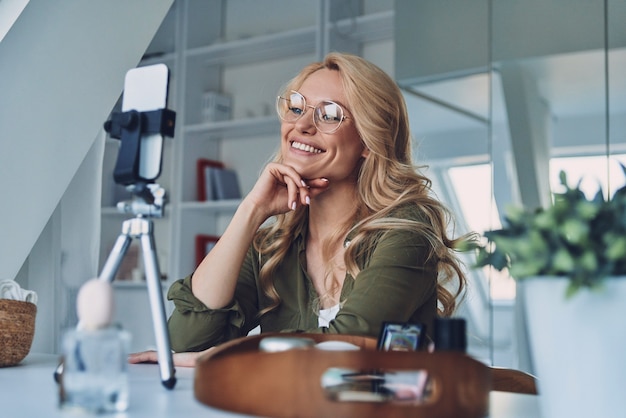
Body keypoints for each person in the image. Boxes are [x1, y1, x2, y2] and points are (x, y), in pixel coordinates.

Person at [129, 52, 471, 367]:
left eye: (330, 114)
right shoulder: (272, 246)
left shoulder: (406, 230)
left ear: (369, 140)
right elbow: (184, 343)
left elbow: (345, 347)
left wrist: (220, 357)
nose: (302, 125)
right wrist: (251, 210)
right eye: (297, 107)